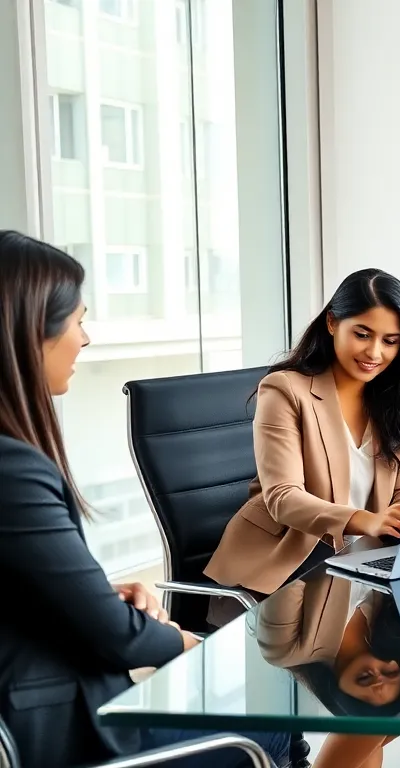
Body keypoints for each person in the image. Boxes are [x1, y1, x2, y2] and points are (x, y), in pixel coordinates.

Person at [0, 230, 288, 767]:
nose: (84, 339)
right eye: (78, 320)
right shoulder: (12, 472)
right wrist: (186, 644)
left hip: (53, 697)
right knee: (274, 724)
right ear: (29, 332)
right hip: (67, 732)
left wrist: (94, 591)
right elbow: (117, 641)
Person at [205, 269, 400, 599]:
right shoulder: (284, 390)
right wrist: (365, 520)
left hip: (360, 569)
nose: (374, 353)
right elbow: (283, 497)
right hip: (283, 579)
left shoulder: (392, 399)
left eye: (390, 341)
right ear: (332, 323)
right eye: (362, 334)